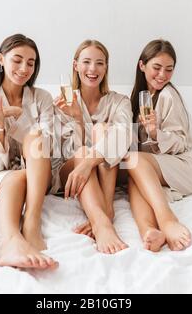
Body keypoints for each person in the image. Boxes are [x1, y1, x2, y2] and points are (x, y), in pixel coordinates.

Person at [0, 34, 58, 270]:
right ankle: (10, 241)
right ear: (1, 59)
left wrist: (16, 117)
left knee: (37, 138)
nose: (24, 68)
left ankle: (31, 223)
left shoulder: (42, 98)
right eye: (17, 60)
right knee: (18, 175)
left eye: (31, 63)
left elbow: (46, 145)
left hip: (37, 172)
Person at [51, 40, 133, 254]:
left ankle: (104, 213)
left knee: (105, 130)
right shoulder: (62, 101)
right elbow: (63, 152)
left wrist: (89, 161)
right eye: (86, 62)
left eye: (100, 63)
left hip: (98, 170)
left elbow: (123, 136)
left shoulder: (119, 101)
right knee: (84, 151)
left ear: (106, 68)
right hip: (69, 172)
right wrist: (78, 118)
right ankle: (103, 221)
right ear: (75, 65)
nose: (92, 69)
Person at [124, 39, 192, 252]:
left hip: (185, 166)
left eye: (169, 69)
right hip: (153, 169)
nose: (162, 75)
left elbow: (180, 143)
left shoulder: (168, 95)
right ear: (142, 66)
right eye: (157, 68)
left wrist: (155, 133)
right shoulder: (139, 98)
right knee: (134, 177)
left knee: (135, 161)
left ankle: (167, 219)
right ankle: (149, 231)